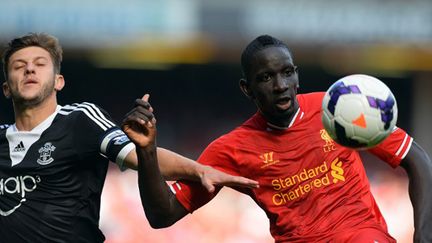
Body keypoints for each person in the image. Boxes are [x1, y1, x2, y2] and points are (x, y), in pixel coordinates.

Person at [123, 35, 432, 242]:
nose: (281, 85)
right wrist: (147, 151)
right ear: (247, 88)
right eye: (266, 78)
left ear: (297, 74)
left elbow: (416, 158)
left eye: (286, 73)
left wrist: (424, 234)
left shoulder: (339, 107)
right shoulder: (232, 149)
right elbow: (162, 215)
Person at [0, 33, 258, 242]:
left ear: (59, 82)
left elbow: (140, 156)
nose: (29, 70)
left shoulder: (79, 119)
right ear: (6, 88)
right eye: (19, 66)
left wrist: (199, 171)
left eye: (40, 64)